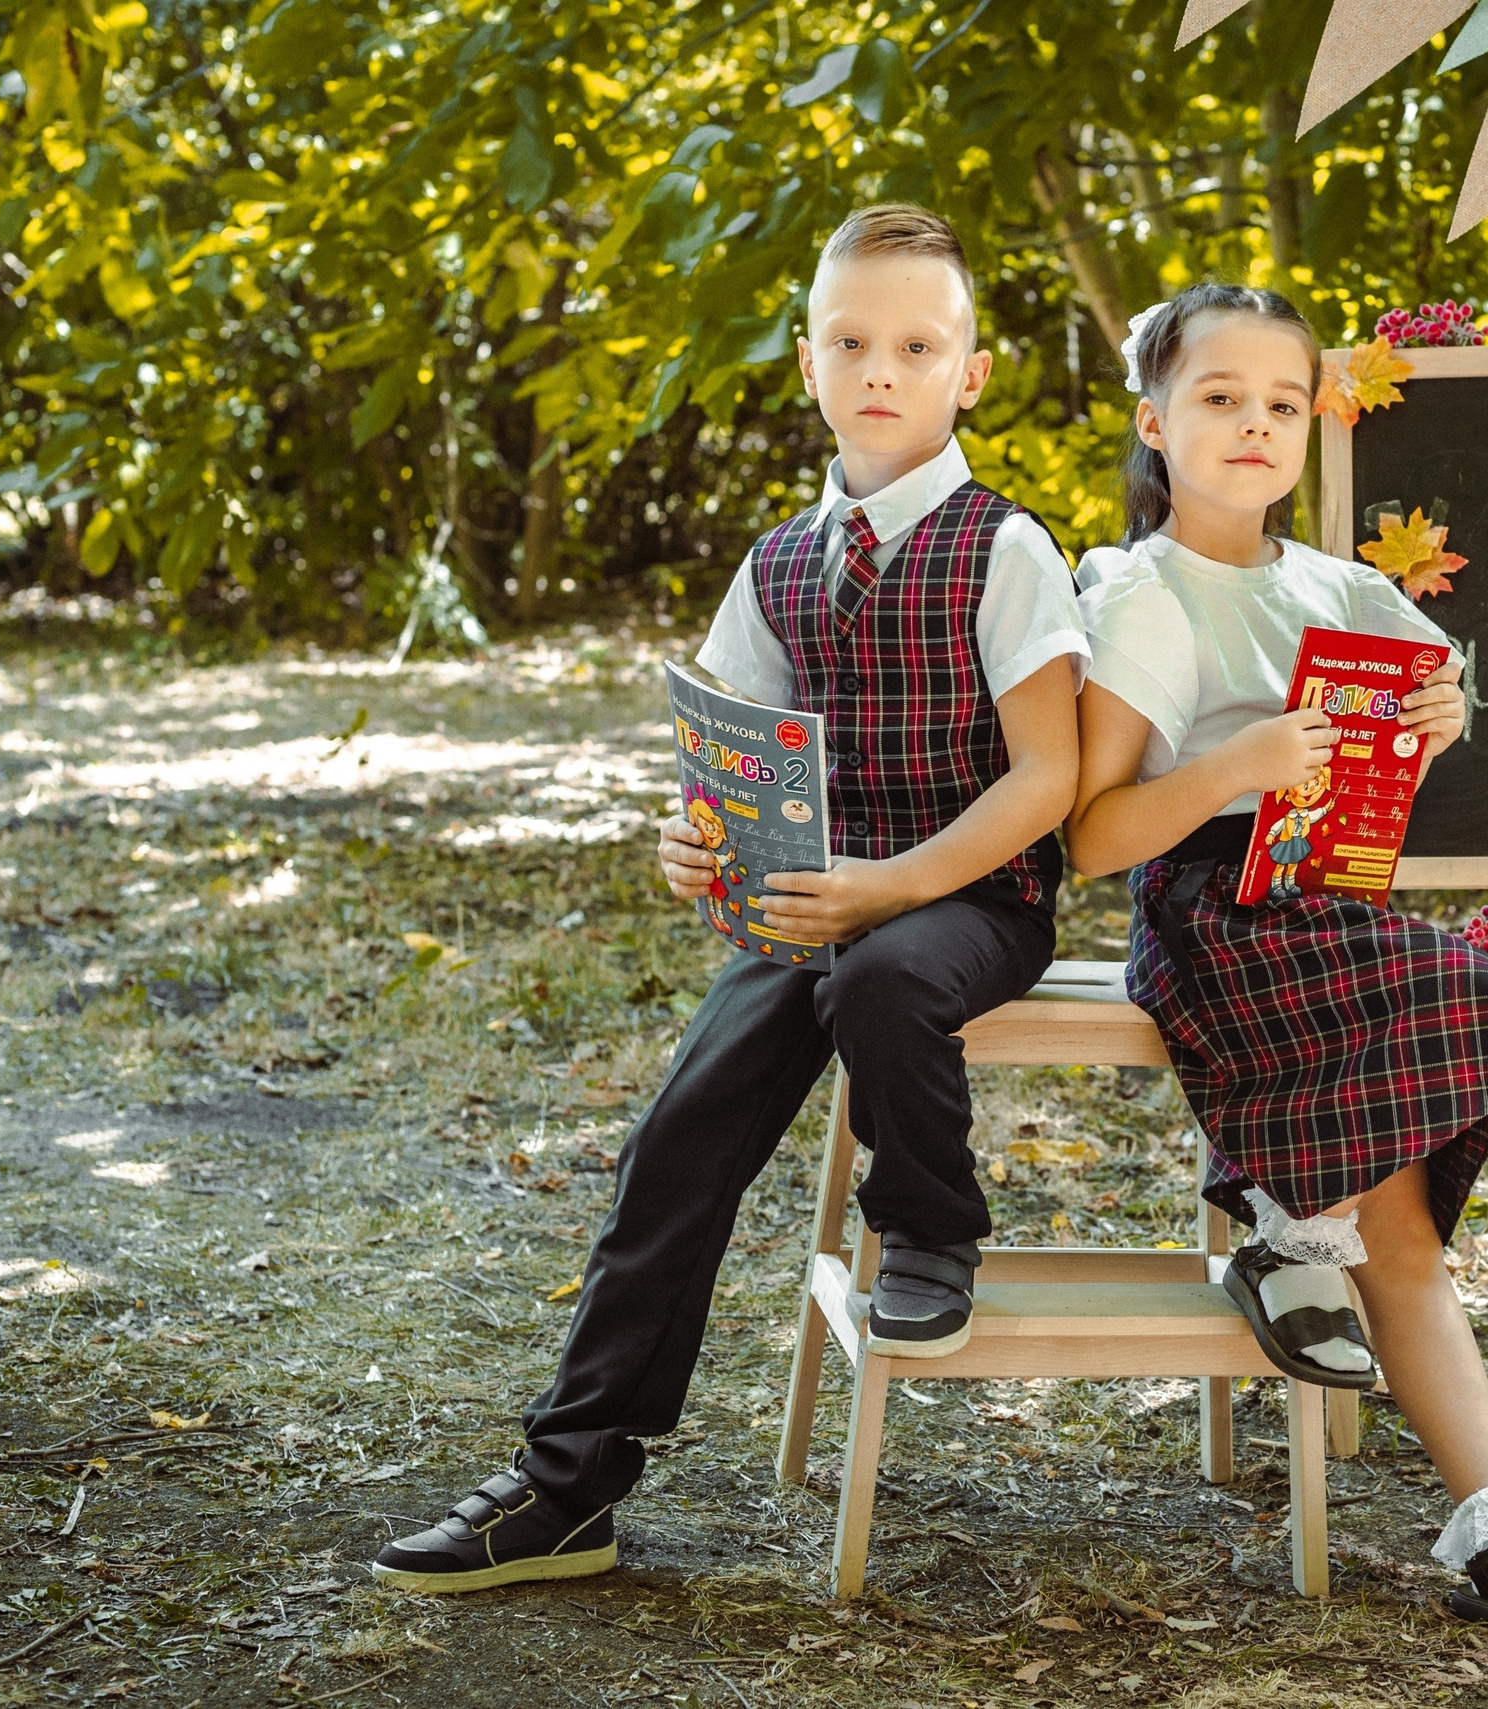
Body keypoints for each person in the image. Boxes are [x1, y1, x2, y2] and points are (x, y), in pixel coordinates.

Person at [373, 204, 1088, 1594]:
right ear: (809, 364)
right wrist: (695, 846)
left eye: (918, 344)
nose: (883, 368)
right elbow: (722, 760)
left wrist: (891, 884)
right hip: (810, 899)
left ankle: (931, 1219)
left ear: (972, 372)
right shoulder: (775, 565)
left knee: (881, 977)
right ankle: (569, 1483)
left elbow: (1048, 777)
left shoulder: (1005, 551)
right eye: (851, 341)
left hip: (969, 895)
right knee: (676, 1141)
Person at [1065, 283, 1488, 1651]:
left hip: (1336, 912)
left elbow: (1413, 733)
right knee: (1401, 1215)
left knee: (1451, 1063)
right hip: (1216, 912)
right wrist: (1231, 768)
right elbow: (1091, 835)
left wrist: (1438, 713)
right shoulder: (1138, 593)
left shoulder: (1342, 589)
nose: (1255, 423)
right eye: (1219, 399)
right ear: (1154, 422)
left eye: (1282, 404)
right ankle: (1299, 1233)